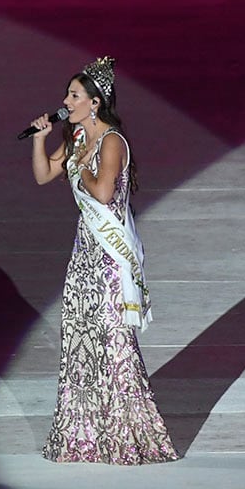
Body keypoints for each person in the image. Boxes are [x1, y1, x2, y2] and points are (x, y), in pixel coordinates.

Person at [29, 56, 179, 464]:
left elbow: (102, 194)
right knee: (81, 339)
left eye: (74, 96)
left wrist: (78, 161)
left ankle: (126, 434)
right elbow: (44, 176)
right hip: (84, 254)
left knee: (114, 341)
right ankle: (84, 435)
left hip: (111, 259)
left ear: (95, 102)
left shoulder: (112, 141)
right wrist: (43, 139)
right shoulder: (75, 136)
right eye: (67, 95)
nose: (66, 101)